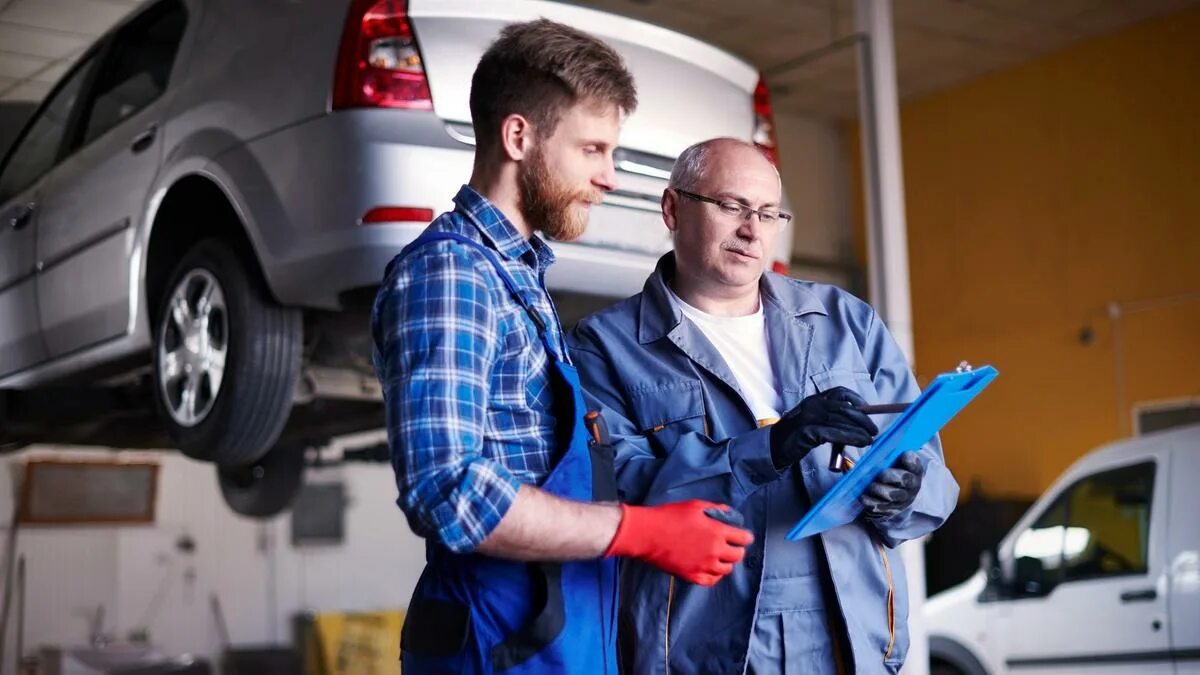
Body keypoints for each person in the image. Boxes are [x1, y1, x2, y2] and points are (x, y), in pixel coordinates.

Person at [370, 23, 753, 675]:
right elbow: (448, 491)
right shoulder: (453, 276)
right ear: (519, 136)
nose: (609, 177)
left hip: (555, 641)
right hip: (495, 649)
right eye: (594, 149)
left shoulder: (518, 277)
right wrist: (642, 531)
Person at [567, 137, 959, 674]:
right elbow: (619, 496)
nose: (752, 229)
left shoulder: (845, 322)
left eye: (769, 213)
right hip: (703, 651)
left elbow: (936, 481)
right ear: (672, 208)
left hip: (855, 645)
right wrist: (768, 447)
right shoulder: (607, 347)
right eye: (731, 207)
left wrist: (908, 492)